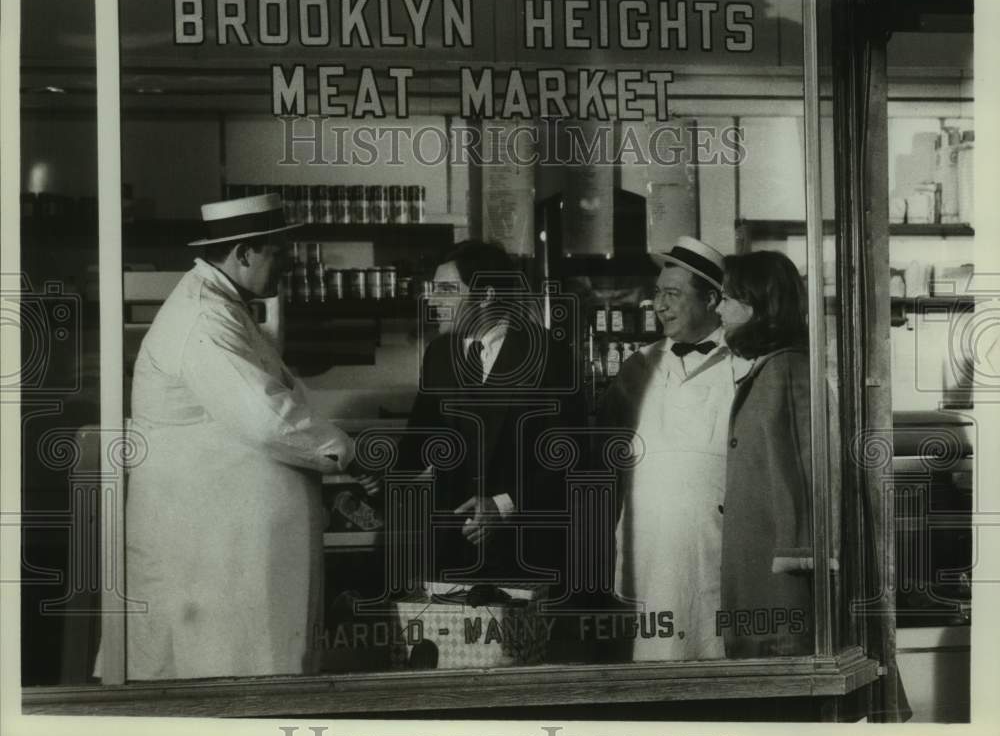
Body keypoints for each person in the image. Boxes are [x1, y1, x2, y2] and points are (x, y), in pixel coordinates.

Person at [120, 193, 360, 680]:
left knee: (238, 665)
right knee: (219, 673)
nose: (290, 263)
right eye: (280, 250)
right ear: (245, 252)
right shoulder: (204, 318)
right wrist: (346, 452)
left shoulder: (225, 304)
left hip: (226, 536)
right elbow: (265, 416)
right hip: (210, 542)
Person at [395, 240, 583, 590]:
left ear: (486, 295)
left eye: (446, 291)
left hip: (523, 549)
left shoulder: (547, 354)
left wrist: (502, 506)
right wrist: (372, 471)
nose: (433, 301)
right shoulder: (438, 354)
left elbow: (568, 456)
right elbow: (419, 441)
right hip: (452, 549)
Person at [600, 236, 750, 661]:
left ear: (711, 299)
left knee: (716, 652)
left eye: (673, 294)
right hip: (646, 546)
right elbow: (606, 461)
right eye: (656, 294)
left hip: (715, 544)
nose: (660, 306)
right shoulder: (637, 368)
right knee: (654, 660)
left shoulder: (744, 366)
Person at [715, 250, 814, 658]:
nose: (718, 307)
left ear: (756, 304)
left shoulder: (786, 370)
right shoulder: (771, 368)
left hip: (780, 584)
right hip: (761, 573)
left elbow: (804, 474)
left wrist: (796, 560)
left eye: (726, 297)